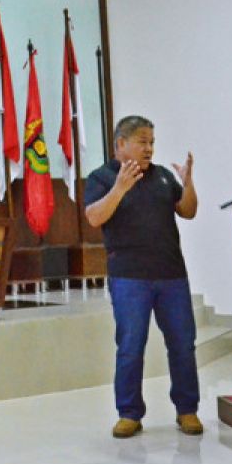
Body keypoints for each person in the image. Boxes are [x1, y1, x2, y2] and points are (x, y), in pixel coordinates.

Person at [84, 115, 201, 439]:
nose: (149, 148)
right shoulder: (102, 177)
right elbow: (94, 217)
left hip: (172, 275)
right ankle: (129, 413)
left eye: (152, 142)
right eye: (142, 142)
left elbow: (188, 211)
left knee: (183, 344)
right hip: (129, 278)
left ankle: (187, 410)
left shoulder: (163, 177)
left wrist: (188, 184)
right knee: (131, 347)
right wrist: (120, 189)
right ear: (121, 144)